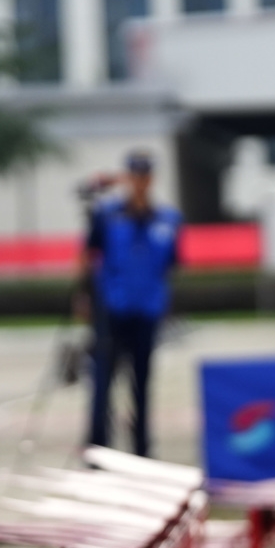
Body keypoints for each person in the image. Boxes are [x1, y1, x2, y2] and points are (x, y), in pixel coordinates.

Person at [84, 150, 181, 457]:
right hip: (111, 310)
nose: (140, 181)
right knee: (103, 383)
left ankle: (142, 451)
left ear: (151, 178)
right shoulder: (108, 215)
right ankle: (98, 449)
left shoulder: (167, 219)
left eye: (145, 175)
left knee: (142, 385)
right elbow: (89, 255)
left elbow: (170, 266)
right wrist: (85, 297)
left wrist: (165, 304)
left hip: (147, 310)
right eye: (134, 175)